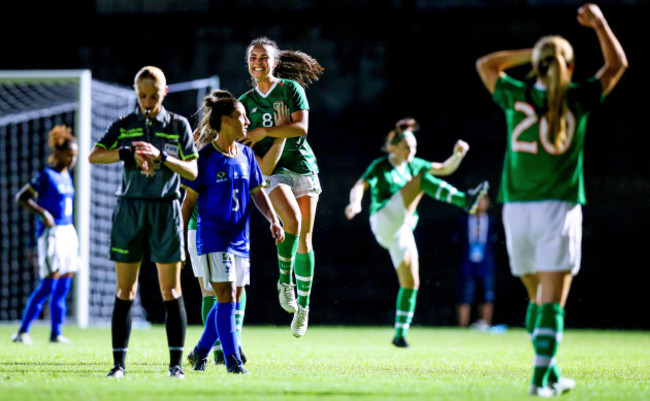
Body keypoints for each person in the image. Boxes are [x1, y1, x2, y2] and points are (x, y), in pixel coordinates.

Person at [475, 3, 627, 396]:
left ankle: (552, 373)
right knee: (551, 304)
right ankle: (539, 381)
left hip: (516, 212)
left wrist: (534, 53)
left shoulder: (516, 93)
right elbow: (617, 66)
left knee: (536, 301)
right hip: (557, 209)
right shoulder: (578, 98)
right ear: (569, 67)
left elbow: (486, 64)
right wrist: (599, 23)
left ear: (538, 66)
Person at [88, 66, 199, 379]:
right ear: (135, 93)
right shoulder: (125, 124)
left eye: (153, 95)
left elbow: (193, 171)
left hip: (165, 210)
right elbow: (95, 156)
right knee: (125, 290)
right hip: (130, 210)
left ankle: (175, 366)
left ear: (165, 92)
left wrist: (162, 158)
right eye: (142, 95)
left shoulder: (177, 125)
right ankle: (118, 365)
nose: (148, 101)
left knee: (171, 290)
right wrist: (128, 154)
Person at [345, 118, 489, 348]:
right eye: (407, 147)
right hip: (383, 220)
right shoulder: (382, 165)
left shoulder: (413, 164)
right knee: (421, 181)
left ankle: (400, 335)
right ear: (394, 146)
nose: (411, 151)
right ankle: (464, 200)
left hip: (400, 229)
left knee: (411, 282)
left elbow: (445, 167)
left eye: (414, 147)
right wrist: (355, 203)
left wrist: (458, 154)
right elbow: (360, 185)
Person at [181, 90, 288, 366]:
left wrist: (274, 220)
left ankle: (200, 352)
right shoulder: (203, 159)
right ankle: (232, 361)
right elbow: (188, 202)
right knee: (225, 295)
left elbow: (258, 191)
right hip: (213, 237)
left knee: (234, 297)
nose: (247, 120)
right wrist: (178, 241)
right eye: (242, 116)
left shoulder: (247, 155)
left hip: (241, 239)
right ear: (226, 121)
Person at [238, 36, 324, 338]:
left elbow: (301, 128)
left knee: (305, 239)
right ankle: (285, 280)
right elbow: (257, 159)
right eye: (253, 57)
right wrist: (271, 134)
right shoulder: (244, 103)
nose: (258, 62)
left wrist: (266, 131)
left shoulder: (292, 90)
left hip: (303, 165)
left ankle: (304, 308)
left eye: (264, 57)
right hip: (273, 169)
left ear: (274, 63)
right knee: (293, 222)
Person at [11, 125, 79, 345]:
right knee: (49, 284)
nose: (72, 160)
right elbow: (22, 197)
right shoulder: (46, 175)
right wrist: (43, 213)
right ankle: (22, 331)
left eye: (75, 156)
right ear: (58, 153)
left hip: (69, 232)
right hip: (51, 234)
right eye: (69, 155)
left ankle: (56, 333)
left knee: (64, 285)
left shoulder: (67, 176)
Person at [454, 195, 497, 331]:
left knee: (487, 295)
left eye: (483, 200)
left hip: (486, 263)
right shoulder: (462, 221)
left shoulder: (492, 221)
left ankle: (485, 326)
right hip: (467, 263)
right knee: (465, 295)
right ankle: (462, 328)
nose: (480, 204)